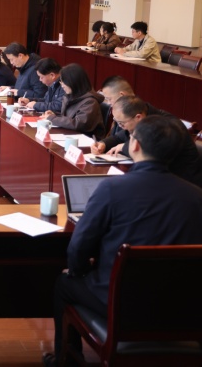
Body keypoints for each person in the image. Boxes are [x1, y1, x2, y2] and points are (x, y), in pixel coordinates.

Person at [44, 116, 202, 367]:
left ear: (135, 145)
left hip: (121, 304)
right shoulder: (196, 197)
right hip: (183, 307)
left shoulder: (112, 189)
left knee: (65, 282)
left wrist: (80, 271)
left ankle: (65, 361)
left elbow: (78, 248)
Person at [94, 96, 202, 187]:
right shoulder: (143, 116)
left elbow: (151, 151)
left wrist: (124, 147)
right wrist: (104, 144)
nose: (120, 126)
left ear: (138, 117)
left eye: (121, 123)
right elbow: (121, 136)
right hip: (161, 178)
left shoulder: (165, 126)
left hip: (183, 184)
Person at [43, 63, 105, 140]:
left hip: (86, 141)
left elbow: (78, 124)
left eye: (63, 82)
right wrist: (55, 115)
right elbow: (67, 116)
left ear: (73, 82)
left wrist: (52, 118)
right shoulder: (69, 96)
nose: (62, 85)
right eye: (61, 82)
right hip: (70, 135)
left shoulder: (90, 102)